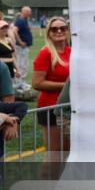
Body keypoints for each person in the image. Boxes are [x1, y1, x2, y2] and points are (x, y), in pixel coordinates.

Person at [32, 16, 71, 156]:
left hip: (68, 108)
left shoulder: (71, 51)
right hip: (50, 108)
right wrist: (67, 87)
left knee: (67, 151)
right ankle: (48, 179)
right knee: (54, 152)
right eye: (54, 29)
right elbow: (37, 83)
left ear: (68, 31)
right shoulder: (46, 53)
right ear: (48, 33)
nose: (59, 31)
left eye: (63, 28)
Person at [13, 6, 33, 85]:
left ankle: (21, 82)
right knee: (21, 64)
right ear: (24, 12)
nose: (30, 13)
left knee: (24, 64)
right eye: (29, 12)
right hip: (21, 47)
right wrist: (20, 41)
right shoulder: (21, 21)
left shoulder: (24, 20)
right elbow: (14, 31)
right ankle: (19, 83)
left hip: (23, 47)